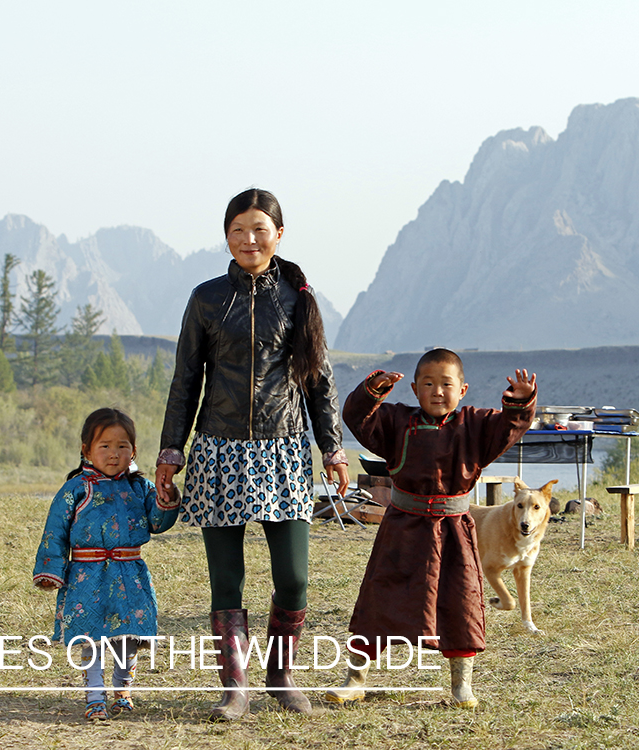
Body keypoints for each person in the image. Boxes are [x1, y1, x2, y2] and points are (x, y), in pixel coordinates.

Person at [155, 188, 348, 720]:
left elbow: (319, 381)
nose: (248, 239)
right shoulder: (207, 298)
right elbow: (185, 380)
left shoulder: (299, 299)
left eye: (259, 229)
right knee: (227, 577)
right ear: (227, 236)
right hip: (218, 451)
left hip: (284, 452)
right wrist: (171, 450)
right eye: (237, 229)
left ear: (279, 235)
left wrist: (331, 447)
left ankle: (280, 675)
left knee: (293, 577)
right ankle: (234, 687)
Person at [325, 348, 537, 708]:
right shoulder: (396, 422)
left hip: (453, 533)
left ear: (463, 390)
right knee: (379, 600)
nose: (437, 391)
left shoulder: (476, 424)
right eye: (428, 384)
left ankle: (461, 687)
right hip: (402, 530)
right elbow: (357, 418)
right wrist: (370, 391)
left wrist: (520, 403)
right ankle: (354, 679)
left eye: (446, 384)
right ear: (413, 389)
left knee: (461, 604)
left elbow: (508, 428)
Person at [33, 407, 180, 721]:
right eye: (105, 446)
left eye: (122, 446)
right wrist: (51, 571)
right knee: (93, 638)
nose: (114, 454)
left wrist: (167, 497)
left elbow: (157, 521)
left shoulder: (140, 488)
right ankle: (95, 696)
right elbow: (55, 531)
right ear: (86, 450)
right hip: (87, 576)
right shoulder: (75, 490)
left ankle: (122, 690)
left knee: (127, 637)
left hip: (130, 574)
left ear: (134, 451)